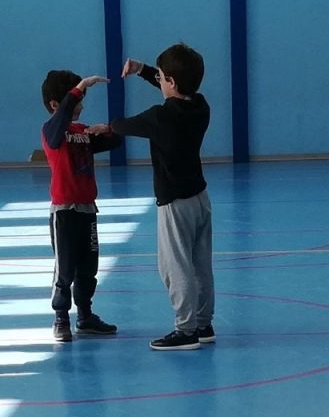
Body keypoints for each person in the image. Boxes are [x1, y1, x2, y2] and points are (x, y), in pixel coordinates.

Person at [109, 43, 214, 351]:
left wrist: (108, 127)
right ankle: (204, 324)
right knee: (200, 265)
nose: (160, 81)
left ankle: (185, 330)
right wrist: (143, 70)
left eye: (162, 78)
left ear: (171, 83)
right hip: (200, 197)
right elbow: (174, 83)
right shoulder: (201, 105)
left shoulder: (160, 116)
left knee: (174, 266)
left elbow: (121, 125)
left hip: (174, 203)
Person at [40, 69, 123, 342]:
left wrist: (107, 130)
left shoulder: (80, 132)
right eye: (78, 99)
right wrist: (80, 86)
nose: (82, 104)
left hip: (87, 210)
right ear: (57, 104)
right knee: (65, 269)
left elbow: (115, 141)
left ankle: (85, 315)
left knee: (88, 267)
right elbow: (58, 126)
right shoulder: (52, 131)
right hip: (64, 211)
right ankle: (60, 317)